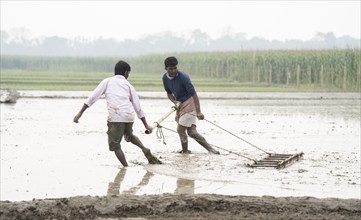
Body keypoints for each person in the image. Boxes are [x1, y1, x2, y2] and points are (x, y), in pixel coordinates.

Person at [73, 60, 162, 166]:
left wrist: (80, 113)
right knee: (129, 135)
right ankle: (144, 148)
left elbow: (93, 97)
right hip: (129, 116)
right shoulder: (129, 86)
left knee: (115, 145)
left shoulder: (107, 82)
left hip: (116, 117)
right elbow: (138, 107)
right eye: (128, 73)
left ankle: (125, 167)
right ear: (125, 73)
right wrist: (146, 125)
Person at [162, 56, 220, 154]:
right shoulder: (165, 78)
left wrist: (198, 112)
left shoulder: (183, 77)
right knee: (192, 132)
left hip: (189, 102)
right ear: (166, 69)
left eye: (175, 68)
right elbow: (168, 93)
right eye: (170, 69)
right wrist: (175, 102)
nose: (173, 71)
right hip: (180, 104)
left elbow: (194, 94)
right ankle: (210, 149)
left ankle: (185, 152)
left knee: (180, 129)